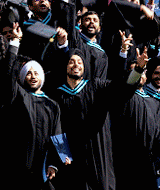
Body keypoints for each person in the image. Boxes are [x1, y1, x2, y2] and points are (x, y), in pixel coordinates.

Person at [51, 44, 148, 190]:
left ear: (84, 67)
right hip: (73, 157)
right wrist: (62, 151)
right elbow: (56, 126)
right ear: (65, 66)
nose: (75, 65)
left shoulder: (96, 86)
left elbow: (122, 88)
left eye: (79, 62)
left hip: (99, 151)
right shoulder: (58, 95)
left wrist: (138, 70)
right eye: (71, 61)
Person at [0, 24, 65, 189]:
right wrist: (14, 44)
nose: (33, 77)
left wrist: (55, 163)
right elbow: (8, 75)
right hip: (17, 166)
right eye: (29, 73)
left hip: (42, 167)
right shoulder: (18, 95)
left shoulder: (52, 104)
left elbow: (58, 134)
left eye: (36, 73)